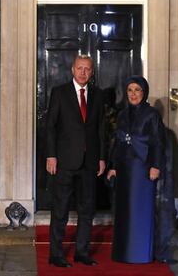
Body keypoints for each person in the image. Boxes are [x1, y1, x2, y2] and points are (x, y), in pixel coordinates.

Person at [107, 75, 175, 264]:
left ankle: (140, 253)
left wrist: (155, 166)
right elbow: (118, 143)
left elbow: (157, 143)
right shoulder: (122, 114)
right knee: (125, 211)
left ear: (144, 92)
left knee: (141, 211)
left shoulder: (151, 114)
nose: (133, 94)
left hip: (143, 169)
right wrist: (113, 167)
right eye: (130, 90)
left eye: (137, 90)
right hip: (124, 169)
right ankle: (123, 252)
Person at [46, 55, 106, 268]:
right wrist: (51, 155)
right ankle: (56, 254)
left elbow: (100, 129)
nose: (83, 72)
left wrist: (101, 157)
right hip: (64, 161)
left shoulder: (98, 96)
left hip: (89, 162)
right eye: (79, 68)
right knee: (60, 209)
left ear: (92, 72)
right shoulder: (59, 93)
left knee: (87, 210)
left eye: (87, 69)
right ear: (72, 69)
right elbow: (51, 126)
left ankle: (82, 252)